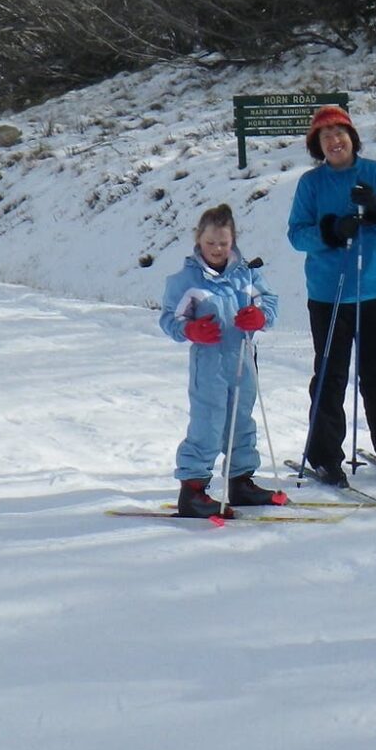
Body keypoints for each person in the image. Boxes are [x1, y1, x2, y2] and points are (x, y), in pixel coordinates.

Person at [286, 104, 376, 485]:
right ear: (318, 146)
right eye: (325, 137)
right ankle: (325, 455)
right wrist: (328, 231)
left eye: (339, 133)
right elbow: (296, 234)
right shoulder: (311, 184)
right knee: (330, 374)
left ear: (352, 137)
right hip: (329, 293)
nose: (334, 142)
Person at [159, 204, 284, 518]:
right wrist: (190, 329)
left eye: (223, 243)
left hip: (242, 358)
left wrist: (259, 317)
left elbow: (269, 302)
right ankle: (193, 489)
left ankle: (241, 481)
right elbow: (169, 319)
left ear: (233, 242)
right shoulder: (186, 279)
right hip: (210, 362)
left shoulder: (246, 274)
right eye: (210, 242)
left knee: (242, 420)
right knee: (209, 422)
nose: (216, 249)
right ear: (199, 240)